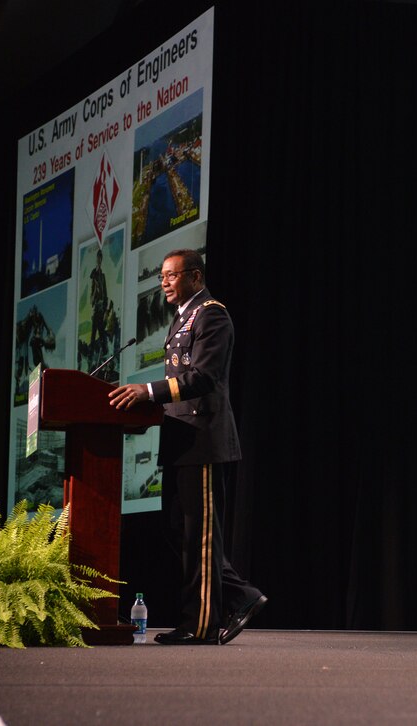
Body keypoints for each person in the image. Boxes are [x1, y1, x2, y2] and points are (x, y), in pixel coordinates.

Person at [109, 248, 266, 645]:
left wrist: (147, 391)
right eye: (161, 275)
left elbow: (204, 378)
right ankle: (237, 598)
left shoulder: (211, 314)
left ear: (195, 277)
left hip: (203, 440)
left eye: (171, 275)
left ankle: (200, 625)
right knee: (180, 533)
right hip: (180, 441)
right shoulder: (182, 318)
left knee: (199, 536)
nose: (163, 282)